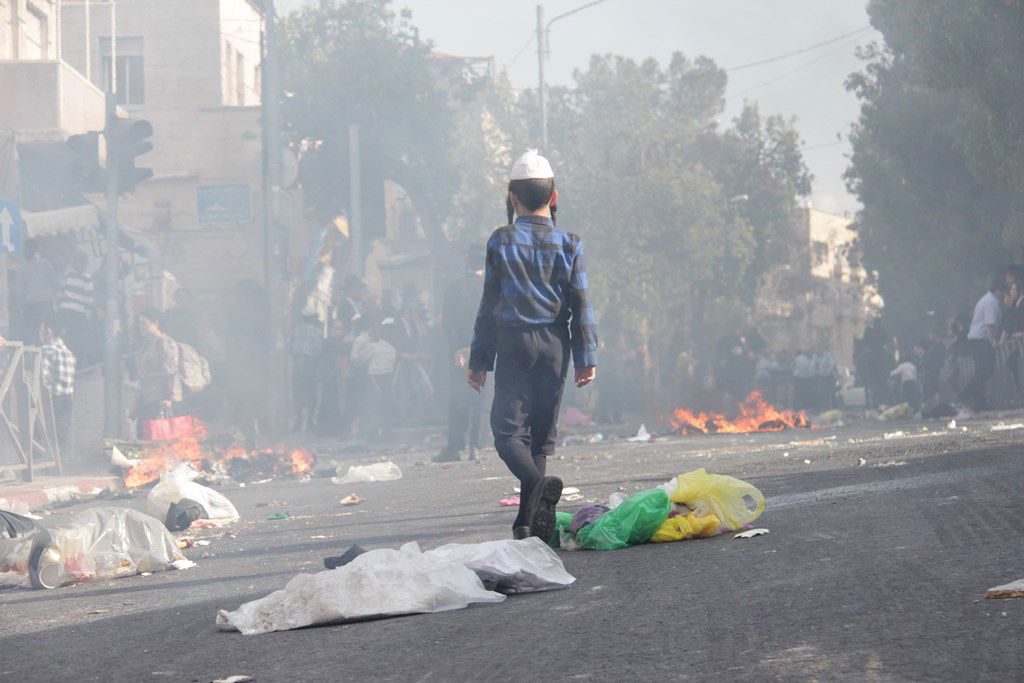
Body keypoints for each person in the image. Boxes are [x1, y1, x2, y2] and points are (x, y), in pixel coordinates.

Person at [468, 149, 598, 542]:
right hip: (556, 346)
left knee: (508, 434)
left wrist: (479, 359)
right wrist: (585, 356)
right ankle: (527, 525)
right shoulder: (570, 243)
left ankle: (534, 493)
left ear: (512, 198)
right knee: (540, 436)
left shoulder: (501, 240)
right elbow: (582, 304)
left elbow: (489, 306)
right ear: (553, 197)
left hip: (514, 343)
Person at [434, 248, 485, 462]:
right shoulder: (493, 288)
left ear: (467, 264)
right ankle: (476, 446)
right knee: (481, 398)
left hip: (459, 353)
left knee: (458, 399)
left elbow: (447, 324)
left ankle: (454, 447)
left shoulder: (454, 288)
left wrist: (458, 348)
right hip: (485, 350)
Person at [135, 308, 182, 438]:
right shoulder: (147, 344)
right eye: (139, 323)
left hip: (160, 397)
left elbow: (171, 371)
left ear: (155, 323)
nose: (141, 327)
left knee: (155, 437)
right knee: (143, 433)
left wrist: (167, 397)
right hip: (147, 397)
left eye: (144, 323)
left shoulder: (166, 343)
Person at [964, 278, 1006, 411]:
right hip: (981, 340)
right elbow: (990, 324)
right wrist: (992, 341)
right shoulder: (991, 302)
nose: (1003, 295)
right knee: (984, 370)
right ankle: (968, 393)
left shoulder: (987, 300)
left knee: (983, 371)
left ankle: (978, 400)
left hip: (978, 340)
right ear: (998, 290)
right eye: (1003, 292)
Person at [39, 313, 76, 456]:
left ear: (49, 331)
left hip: (54, 398)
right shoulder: (68, 351)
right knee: (61, 435)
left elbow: (43, 376)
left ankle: (47, 465)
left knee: (46, 433)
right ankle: (60, 465)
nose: (40, 334)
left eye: (41, 330)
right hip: (68, 398)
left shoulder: (47, 349)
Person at [56, 251, 96, 365]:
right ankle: (78, 364)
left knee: (63, 337)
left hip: (64, 311)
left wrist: (59, 307)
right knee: (79, 338)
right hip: (78, 312)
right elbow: (89, 298)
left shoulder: (67, 275)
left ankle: (62, 362)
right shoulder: (87, 278)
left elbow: (60, 292)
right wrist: (88, 313)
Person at [18, 240, 58, 344]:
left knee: (32, 334)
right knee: (50, 332)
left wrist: (21, 307)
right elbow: (54, 281)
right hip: (46, 303)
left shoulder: (23, 268)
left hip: (31, 305)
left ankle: (35, 355)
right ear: (37, 250)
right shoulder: (45, 263)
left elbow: (20, 291)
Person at [290, 313, 324, 432]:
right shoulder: (318, 332)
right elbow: (319, 350)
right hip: (310, 366)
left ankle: (298, 420)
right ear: (313, 318)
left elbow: (290, 348)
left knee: (298, 393)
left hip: (297, 365)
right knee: (312, 394)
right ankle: (309, 421)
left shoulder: (295, 331)